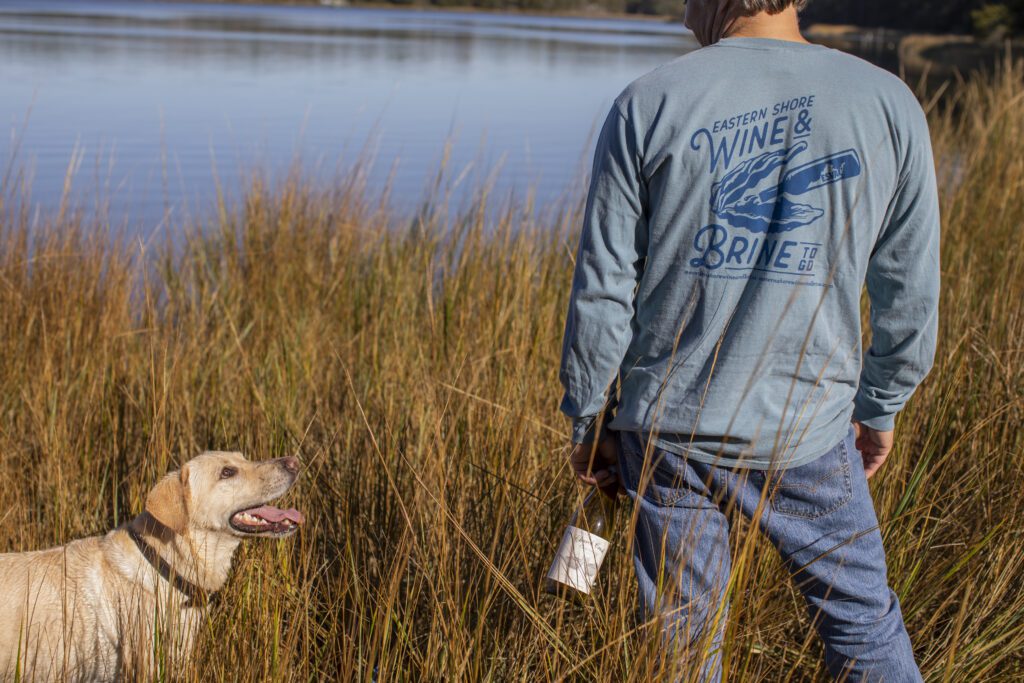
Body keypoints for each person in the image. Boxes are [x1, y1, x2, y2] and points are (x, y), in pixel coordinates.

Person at [558, 0, 940, 680]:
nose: (680, 12)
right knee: (862, 624)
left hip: (668, 441)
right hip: (814, 432)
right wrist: (880, 406)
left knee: (678, 647)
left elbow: (604, 290)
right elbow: (908, 293)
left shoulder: (647, 103)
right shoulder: (889, 103)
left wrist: (589, 417)